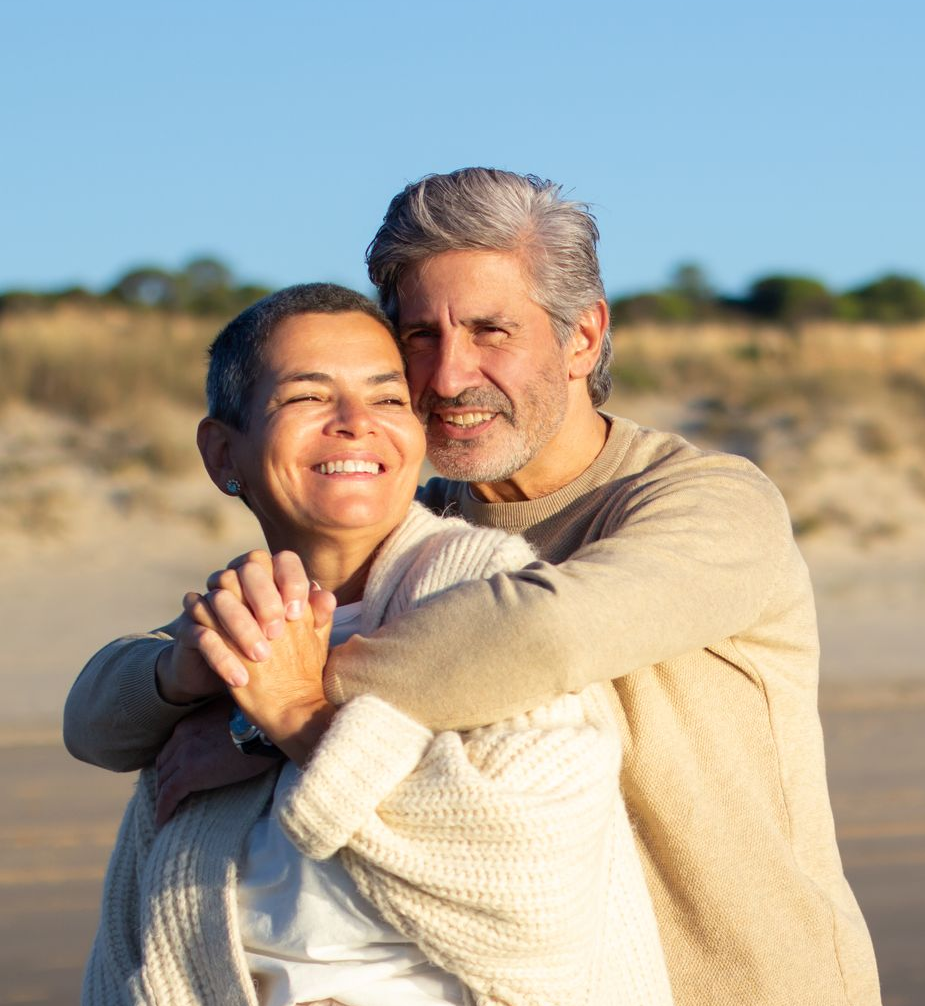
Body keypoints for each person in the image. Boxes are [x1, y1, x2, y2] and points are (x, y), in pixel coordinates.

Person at [65, 168, 881, 1005]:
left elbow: (540, 639)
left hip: (745, 980)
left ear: (582, 337)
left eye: (491, 330)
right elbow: (105, 716)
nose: (449, 376)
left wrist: (267, 714)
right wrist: (203, 679)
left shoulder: (704, 502)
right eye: (418, 335)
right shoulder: (406, 533)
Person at [74, 283, 673, 1006]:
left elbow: (534, 884)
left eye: (388, 399)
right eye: (305, 398)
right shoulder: (244, 613)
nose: (355, 423)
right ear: (222, 453)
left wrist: (289, 718)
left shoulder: (483, 591)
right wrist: (187, 670)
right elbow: (97, 723)